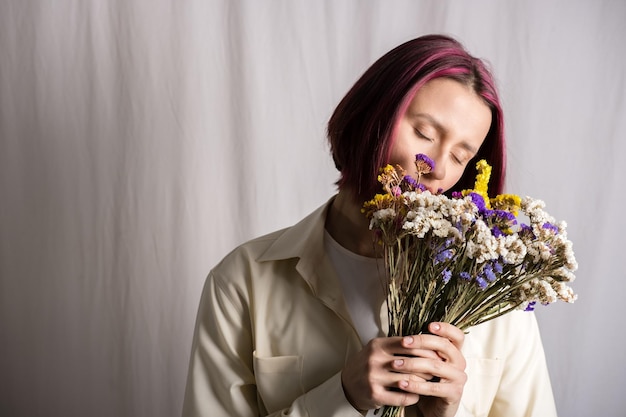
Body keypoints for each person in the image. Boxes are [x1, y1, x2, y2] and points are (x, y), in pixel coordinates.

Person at [182, 34, 558, 417]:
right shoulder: (242, 281)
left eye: (462, 156)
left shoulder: (496, 295)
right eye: (425, 134)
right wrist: (341, 398)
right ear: (369, 119)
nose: (439, 170)